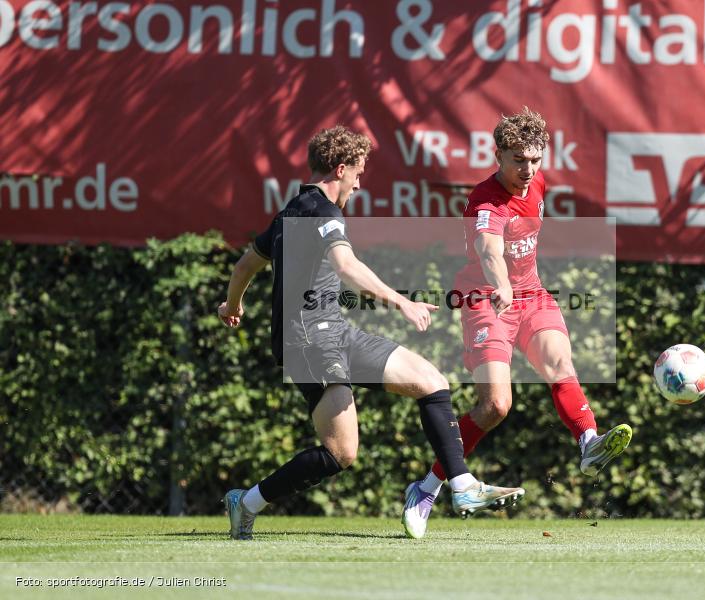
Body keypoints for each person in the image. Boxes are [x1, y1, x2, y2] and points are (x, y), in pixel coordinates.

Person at [218, 125, 524, 540]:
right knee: (341, 453)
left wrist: (232, 305)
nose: (359, 184)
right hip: (309, 342)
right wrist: (402, 302)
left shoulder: (290, 211)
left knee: (432, 382)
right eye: (358, 174)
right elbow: (347, 267)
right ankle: (247, 501)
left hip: (336, 332)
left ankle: (462, 486)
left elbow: (244, 268)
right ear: (340, 169)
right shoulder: (323, 213)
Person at [401, 108, 631, 539]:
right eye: (518, 160)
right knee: (495, 407)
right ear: (499, 155)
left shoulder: (536, 181)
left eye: (535, 160)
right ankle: (427, 487)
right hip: (486, 301)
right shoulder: (485, 202)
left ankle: (588, 442)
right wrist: (501, 284)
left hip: (532, 295)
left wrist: (517, 287)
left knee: (560, 361)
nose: (527, 170)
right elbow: (489, 249)